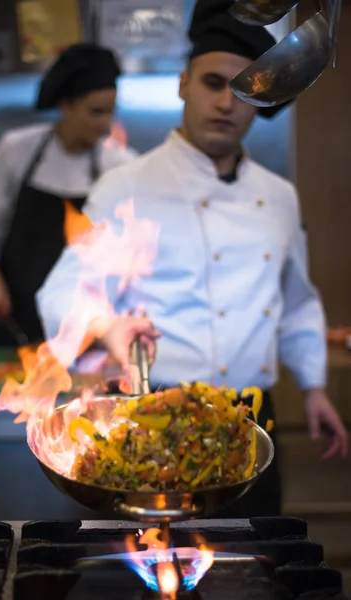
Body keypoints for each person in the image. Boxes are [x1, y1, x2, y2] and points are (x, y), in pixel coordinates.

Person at [36, 1, 348, 517]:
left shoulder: (278, 196)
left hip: (250, 427)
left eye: (243, 88)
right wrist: (109, 325)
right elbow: (63, 291)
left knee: (255, 575)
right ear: (183, 84)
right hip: (157, 423)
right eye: (211, 83)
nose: (226, 102)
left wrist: (314, 387)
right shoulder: (127, 185)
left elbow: (296, 303)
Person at [0, 43, 137, 344]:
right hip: (15, 320)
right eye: (95, 111)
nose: (106, 123)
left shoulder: (121, 163)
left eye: (110, 111)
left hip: (88, 329)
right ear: (66, 105)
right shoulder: (17, 149)